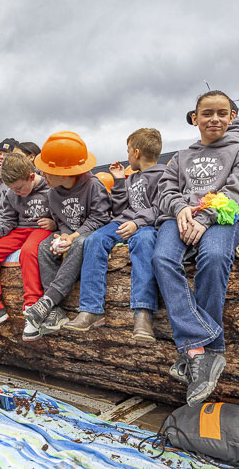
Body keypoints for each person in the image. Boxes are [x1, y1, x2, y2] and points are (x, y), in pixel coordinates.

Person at [153, 90, 239, 407]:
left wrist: (208, 215)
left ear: (231, 117)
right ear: (195, 118)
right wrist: (178, 209)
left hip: (220, 218)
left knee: (214, 257)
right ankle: (205, 348)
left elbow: (237, 189)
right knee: (162, 258)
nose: (214, 119)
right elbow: (166, 189)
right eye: (207, 113)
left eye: (221, 113)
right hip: (181, 218)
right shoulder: (180, 158)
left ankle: (199, 352)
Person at [67, 128, 165, 341]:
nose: (128, 155)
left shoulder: (164, 175)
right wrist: (120, 180)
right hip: (122, 221)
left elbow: (162, 207)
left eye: (129, 150)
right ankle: (91, 309)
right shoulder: (131, 178)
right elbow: (119, 210)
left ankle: (143, 313)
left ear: (136, 153)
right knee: (94, 239)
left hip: (147, 226)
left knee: (145, 241)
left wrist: (137, 224)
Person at [23, 131, 111, 341]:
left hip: (92, 234)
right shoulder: (52, 193)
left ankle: (48, 300)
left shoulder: (93, 186)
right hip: (70, 234)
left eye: (47, 172)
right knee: (45, 246)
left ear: (65, 174)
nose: (43, 176)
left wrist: (72, 237)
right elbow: (62, 222)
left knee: (81, 242)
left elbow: (100, 218)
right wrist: (62, 237)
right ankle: (55, 311)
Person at [0, 152, 55, 336]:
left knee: (29, 252)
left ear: (31, 177)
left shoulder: (50, 187)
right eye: (13, 189)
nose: (16, 193)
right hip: (20, 229)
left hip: (43, 229)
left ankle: (32, 306)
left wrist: (54, 223)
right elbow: (7, 219)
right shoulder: (11, 192)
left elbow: (62, 214)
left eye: (19, 188)